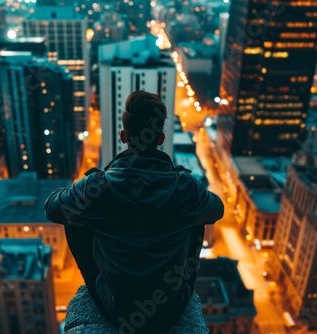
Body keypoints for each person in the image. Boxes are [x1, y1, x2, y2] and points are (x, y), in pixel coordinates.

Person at [45, 90, 224, 333]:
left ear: (123, 136)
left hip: (117, 310)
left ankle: (98, 279)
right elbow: (217, 209)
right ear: (160, 139)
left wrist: (85, 186)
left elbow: (52, 208)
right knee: (197, 213)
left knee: (74, 213)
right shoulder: (185, 187)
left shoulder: (98, 188)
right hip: (171, 308)